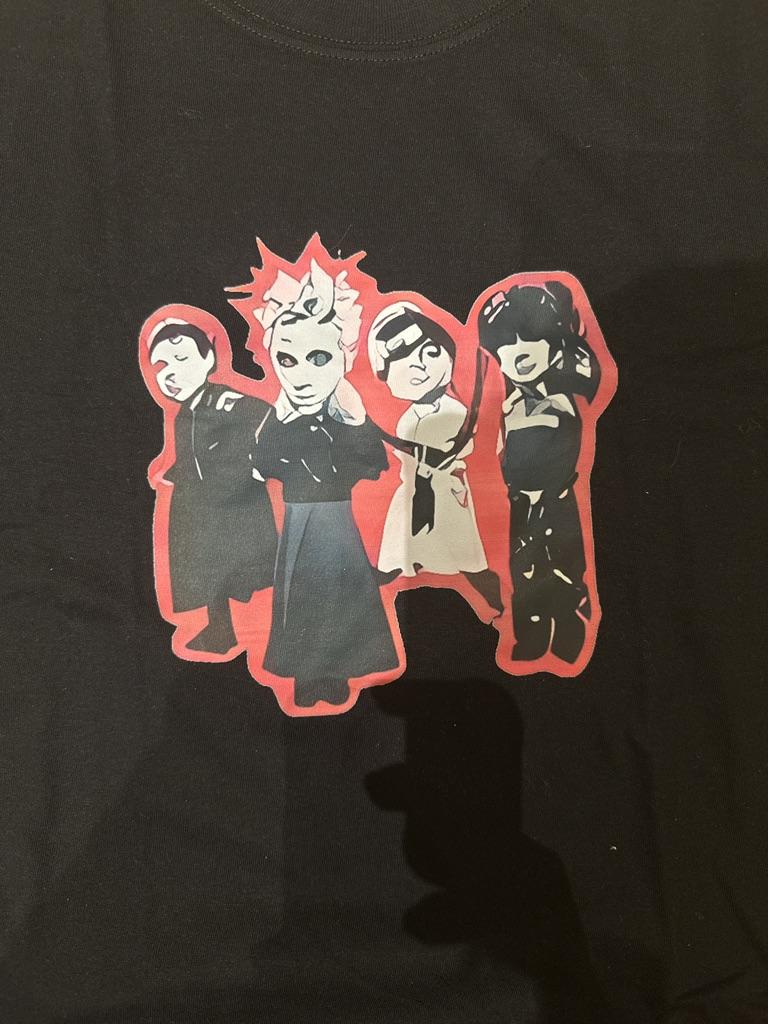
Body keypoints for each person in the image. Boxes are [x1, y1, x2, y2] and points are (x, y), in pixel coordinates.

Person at [245, 260, 399, 708]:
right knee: (303, 597)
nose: (300, 374)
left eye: (319, 358)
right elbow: (261, 465)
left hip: (335, 522)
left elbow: (373, 464)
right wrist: (281, 419)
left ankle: (336, 673)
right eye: (286, 359)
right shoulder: (279, 421)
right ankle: (308, 677)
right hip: (299, 519)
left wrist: (354, 417)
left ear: (344, 358)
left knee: (339, 594)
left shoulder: (347, 418)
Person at [478, 281, 599, 663]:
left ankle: (568, 634)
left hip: (558, 501)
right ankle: (530, 638)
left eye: (530, 337)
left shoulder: (565, 394)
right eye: (506, 343)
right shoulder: (507, 402)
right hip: (519, 505)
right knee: (522, 574)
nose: (519, 351)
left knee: (566, 570)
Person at [146, 318, 278, 653]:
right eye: (161, 364)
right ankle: (220, 631)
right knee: (207, 571)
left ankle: (258, 631)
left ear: (208, 359)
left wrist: (257, 465)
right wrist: (173, 472)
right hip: (202, 506)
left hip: (232, 505)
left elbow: (266, 415)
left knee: (231, 570)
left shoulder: (225, 401)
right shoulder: (185, 412)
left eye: (182, 359)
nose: (171, 373)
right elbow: (192, 453)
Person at [368, 301, 502, 614]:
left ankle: (491, 592)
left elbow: (465, 450)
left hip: (444, 490)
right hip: (414, 490)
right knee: (400, 539)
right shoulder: (407, 417)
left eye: (429, 352)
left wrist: (441, 457)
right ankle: (389, 570)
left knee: (463, 549)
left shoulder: (455, 411)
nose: (420, 367)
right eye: (402, 363)